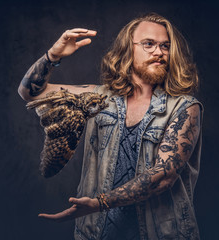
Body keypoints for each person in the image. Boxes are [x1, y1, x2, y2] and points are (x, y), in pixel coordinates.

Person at [18, 13, 203, 240]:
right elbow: (30, 92)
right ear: (128, 49)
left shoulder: (184, 107)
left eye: (165, 46)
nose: (159, 52)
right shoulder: (98, 98)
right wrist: (52, 56)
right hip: (97, 234)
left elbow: (164, 176)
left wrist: (99, 203)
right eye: (149, 44)